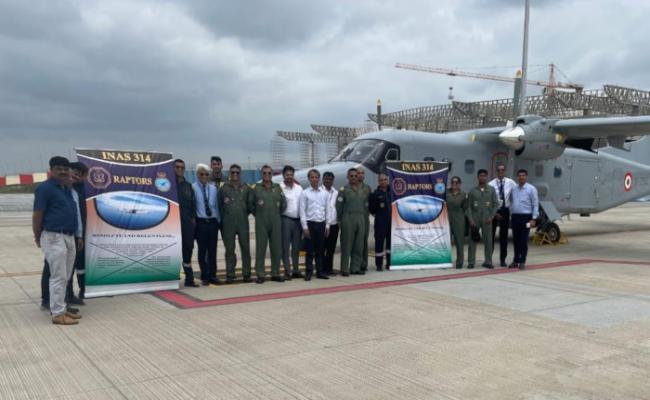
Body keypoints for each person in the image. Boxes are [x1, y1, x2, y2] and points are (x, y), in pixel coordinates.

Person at [33, 156, 83, 325]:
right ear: (51, 170)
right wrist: (37, 235)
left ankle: (62, 306)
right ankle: (57, 313)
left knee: (66, 275)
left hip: (69, 235)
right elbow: (37, 214)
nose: (63, 171)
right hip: (54, 236)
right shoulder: (45, 188)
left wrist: (77, 235)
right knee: (58, 275)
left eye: (65, 168)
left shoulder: (66, 189)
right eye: (58, 169)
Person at [250, 165, 286, 283]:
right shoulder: (256, 188)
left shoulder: (277, 187)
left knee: (276, 248)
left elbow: (284, 204)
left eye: (269, 173)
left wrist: (277, 214)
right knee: (261, 248)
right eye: (264, 173)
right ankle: (260, 274)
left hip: (275, 220)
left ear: (272, 174)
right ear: (261, 174)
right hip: (261, 221)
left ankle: (275, 273)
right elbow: (251, 204)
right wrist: (258, 214)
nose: (267, 175)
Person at [219, 164, 253, 283]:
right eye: (232, 172)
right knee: (229, 250)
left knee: (245, 248)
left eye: (237, 172)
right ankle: (230, 274)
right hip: (228, 223)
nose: (235, 174)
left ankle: (246, 274)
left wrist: (243, 211)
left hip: (243, 222)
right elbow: (219, 206)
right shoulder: (224, 189)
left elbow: (250, 206)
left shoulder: (246, 188)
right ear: (229, 173)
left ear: (240, 173)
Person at [299, 169, 330, 280]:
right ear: (309, 179)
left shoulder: (325, 193)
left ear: (319, 178)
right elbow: (302, 211)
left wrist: (327, 225)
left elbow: (327, 210)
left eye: (316, 177)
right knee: (309, 250)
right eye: (312, 177)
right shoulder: (305, 193)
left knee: (320, 250)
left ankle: (320, 272)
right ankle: (309, 272)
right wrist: (305, 227)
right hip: (310, 224)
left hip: (321, 224)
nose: (314, 179)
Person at [193, 164, 221, 285]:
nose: (204, 176)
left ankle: (213, 275)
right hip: (201, 223)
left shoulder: (213, 189)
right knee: (202, 251)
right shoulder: (193, 188)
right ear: (197, 175)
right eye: (201, 174)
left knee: (212, 251)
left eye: (206, 174)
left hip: (212, 222)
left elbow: (217, 206)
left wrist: (218, 221)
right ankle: (204, 275)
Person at [466, 169, 498, 269]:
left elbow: (495, 204)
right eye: (481, 176)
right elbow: (468, 207)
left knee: (488, 241)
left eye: (484, 176)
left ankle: (488, 261)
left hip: (487, 219)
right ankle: (471, 262)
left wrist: (492, 216)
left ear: (487, 177)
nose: (482, 177)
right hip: (475, 219)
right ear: (478, 177)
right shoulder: (472, 191)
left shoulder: (491, 190)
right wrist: (470, 219)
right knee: (472, 241)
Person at [336, 168, 366, 276]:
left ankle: (355, 268)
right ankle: (344, 268)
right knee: (347, 244)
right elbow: (338, 206)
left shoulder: (362, 190)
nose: (354, 177)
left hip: (360, 218)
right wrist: (339, 220)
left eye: (355, 176)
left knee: (359, 245)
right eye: (351, 176)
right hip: (348, 218)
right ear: (348, 177)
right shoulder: (343, 190)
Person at [175, 159, 198, 287]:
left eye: (182, 167)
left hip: (187, 224)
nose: (179, 169)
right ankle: (173, 276)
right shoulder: (167, 184)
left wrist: (193, 220)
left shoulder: (188, 186)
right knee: (174, 250)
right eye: (177, 167)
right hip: (172, 223)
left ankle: (189, 279)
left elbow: (193, 204)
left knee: (188, 249)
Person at [509, 169, 539, 270]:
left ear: (526, 177)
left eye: (523, 175)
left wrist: (533, 219)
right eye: (520, 175)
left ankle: (522, 261)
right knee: (516, 240)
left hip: (526, 218)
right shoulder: (514, 189)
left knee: (523, 240)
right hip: (515, 217)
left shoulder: (531, 189)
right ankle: (515, 260)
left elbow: (535, 204)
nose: (521, 177)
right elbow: (511, 202)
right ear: (517, 177)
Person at [67, 161, 88, 302]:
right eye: (76, 173)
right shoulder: (67, 189)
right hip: (70, 233)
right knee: (68, 265)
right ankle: (67, 294)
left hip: (83, 232)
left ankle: (83, 289)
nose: (78, 177)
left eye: (82, 175)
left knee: (81, 263)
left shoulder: (85, 188)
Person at [488, 164, 516, 267]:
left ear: (505, 171)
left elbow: (516, 193)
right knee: (491, 236)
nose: (500, 172)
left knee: (504, 237)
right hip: (494, 211)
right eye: (499, 170)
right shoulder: (490, 184)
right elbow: (488, 201)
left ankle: (502, 260)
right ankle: (489, 259)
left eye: (502, 170)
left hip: (505, 211)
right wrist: (494, 213)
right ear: (496, 171)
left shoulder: (511, 182)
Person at [280, 165, 304, 280]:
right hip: (286, 220)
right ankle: (287, 271)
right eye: (287, 174)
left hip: (297, 221)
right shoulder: (280, 188)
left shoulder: (299, 188)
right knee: (285, 247)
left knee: (296, 247)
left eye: (291, 174)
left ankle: (295, 270)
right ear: (283, 175)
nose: (289, 176)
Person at [369, 173, 392, 271]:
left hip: (391, 222)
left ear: (387, 180)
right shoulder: (375, 194)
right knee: (379, 243)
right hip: (380, 222)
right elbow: (371, 209)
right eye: (381, 180)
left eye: (385, 180)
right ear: (378, 181)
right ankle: (379, 264)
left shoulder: (392, 192)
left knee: (390, 244)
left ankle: (389, 263)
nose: (383, 182)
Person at [447, 176, 467, 269]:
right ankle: (446, 261)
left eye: (456, 182)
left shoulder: (463, 194)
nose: (454, 184)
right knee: (447, 242)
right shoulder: (446, 193)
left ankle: (459, 262)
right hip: (447, 219)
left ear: (459, 184)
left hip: (459, 219)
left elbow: (466, 208)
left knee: (459, 242)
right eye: (453, 182)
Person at [322, 171, 338, 275]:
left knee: (331, 248)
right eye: (326, 179)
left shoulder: (336, 192)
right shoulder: (319, 191)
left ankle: (329, 269)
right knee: (322, 248)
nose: (328, 181)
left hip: (334, 224)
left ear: (333, 181)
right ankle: (322, 269)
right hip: (323, 224)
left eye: (330, 179)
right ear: (323, 180)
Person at [356, 166, 372, 272]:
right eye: (358, 173)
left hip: (365, 218)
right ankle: (355, 264)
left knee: (364, 242)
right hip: (354, 218)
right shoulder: (351, 187)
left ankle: (364, 264)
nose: (360, 175)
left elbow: (371, 203)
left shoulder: (368, 188)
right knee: (355, 242)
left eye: (362, 173)